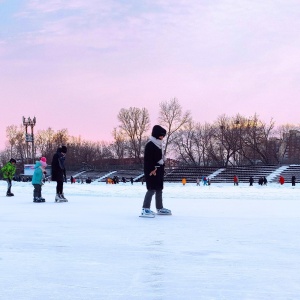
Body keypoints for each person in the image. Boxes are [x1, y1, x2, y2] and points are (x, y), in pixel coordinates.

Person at [140, 125, 171, 218]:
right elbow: (148, 160)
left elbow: (159, 158)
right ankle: (145, 208)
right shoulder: (150, 144)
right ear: (156, 134)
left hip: (159, 169)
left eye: (163, 136)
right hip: (152, 170)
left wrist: (161, 167)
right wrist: (152, 169)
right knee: (151, 189)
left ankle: (159, 207)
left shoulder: (159, 144)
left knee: (159, 189)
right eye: (161, 135)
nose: (162, 137)